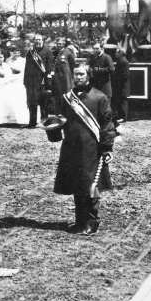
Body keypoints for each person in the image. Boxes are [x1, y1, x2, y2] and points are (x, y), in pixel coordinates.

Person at [53, 64, 116, 234]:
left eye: (81, 74)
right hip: (71, 147)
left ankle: (91, 221)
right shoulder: (68, 97)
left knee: (91, 184)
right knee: (77, 183)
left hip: (91, 149)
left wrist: (106, 148)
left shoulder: (99, 97)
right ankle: (79, 221)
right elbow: (62, 119)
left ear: (88, 75)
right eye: (76, 74)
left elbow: (107, 125)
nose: (78, 77)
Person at [22, 35, 54, 127]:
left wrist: (48, 81)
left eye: (39, 40)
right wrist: (25, 80)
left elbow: (50, 66)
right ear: (34, 41)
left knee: (43, 102)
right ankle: (32, 122)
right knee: (31, 102)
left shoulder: (47, 51)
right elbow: (27, 66)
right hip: (31, 80)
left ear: (42, 40)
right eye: (36, 40)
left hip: (42, 80)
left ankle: (44, 122)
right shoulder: (31, 51)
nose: (38, 41)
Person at [111, 48, 130, 126]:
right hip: (120, 85)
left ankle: (123, 117)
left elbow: (125, 75)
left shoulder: (124, 62)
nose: (115, 54)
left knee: (123, 101)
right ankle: (120, 116)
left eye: (117, 52)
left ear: (121, 53)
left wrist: (117, 80)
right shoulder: (120, 61)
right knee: (120, 100)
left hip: (123, 85)